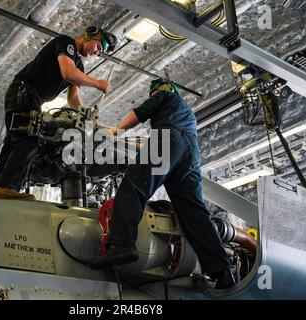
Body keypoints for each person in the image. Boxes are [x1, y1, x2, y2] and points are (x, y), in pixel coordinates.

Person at [89, 78, 236, 289]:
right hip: (191, 154)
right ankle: (222, 271)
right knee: (193, 211)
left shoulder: (164, 96)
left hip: (168, 139)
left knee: (134, 188)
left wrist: (115, 132)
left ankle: (121, 245)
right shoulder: (187, 113)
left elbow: (139, 114)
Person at [0, 27, 117, 201]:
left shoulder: (79, 66)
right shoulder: (66, 43)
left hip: (32, 98)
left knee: (13, 143)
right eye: (98, 47)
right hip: (24, 91)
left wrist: (85, 113)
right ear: (90, 35)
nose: (96, 52)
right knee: (29, 140)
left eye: (100, 53)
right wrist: (97, 83)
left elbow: (73, 98)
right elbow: (68, 73)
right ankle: (7, 189)